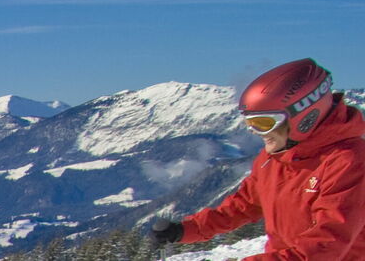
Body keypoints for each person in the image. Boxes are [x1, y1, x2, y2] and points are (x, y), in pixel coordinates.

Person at [151, 58, 365, 260]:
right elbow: (242, 206)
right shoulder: (275, 158)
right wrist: (186, 230)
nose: (254, 132)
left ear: (304, 116)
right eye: (249, 123)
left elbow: (328, 243)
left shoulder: (349, 161)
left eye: (263, 123)